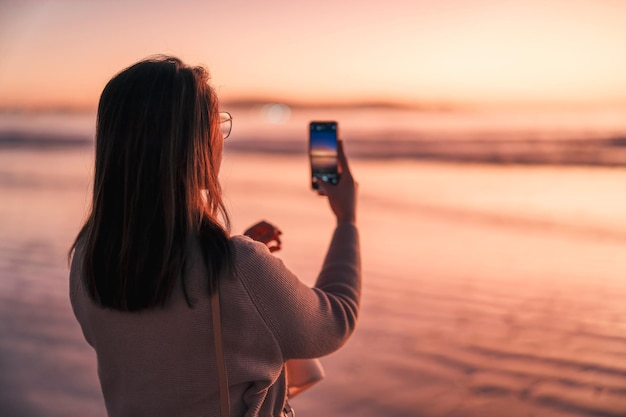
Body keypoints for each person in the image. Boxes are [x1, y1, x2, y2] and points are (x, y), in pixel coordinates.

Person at [68, 55, 360, 417]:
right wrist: (346, 219)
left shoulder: (88, 260)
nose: (221, 140)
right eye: (216, 125)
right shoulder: (237, 268)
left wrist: (226, 256)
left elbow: (166, 352)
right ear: (194, 144)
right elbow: (335, 321)